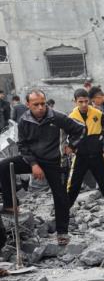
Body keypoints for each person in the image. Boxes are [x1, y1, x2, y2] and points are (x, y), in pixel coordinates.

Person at [0, 89, 83, 245]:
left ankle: (62, 232)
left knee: (60, 196)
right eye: (36, 104)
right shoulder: (24, 120)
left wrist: (72, 146)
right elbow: (23, 145)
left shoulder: (58, 117)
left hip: (56, 162)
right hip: (34, 159)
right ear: (28, 105)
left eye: (42, 104)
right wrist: (33, 164)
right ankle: (11, 204)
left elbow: (81, 130)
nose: (40, 107)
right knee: (4, 165)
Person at [67, 89, 104, 216]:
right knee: (74, 184)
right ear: (75, 102)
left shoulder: (97, 113)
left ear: (89, 100)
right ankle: (65, 208)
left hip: (97, 154)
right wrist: (71, 146)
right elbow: (66, 135)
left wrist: (101, 137)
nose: (83, 104)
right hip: (80, 156)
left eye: (86, 101)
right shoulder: (71, 117)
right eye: (80, 102)